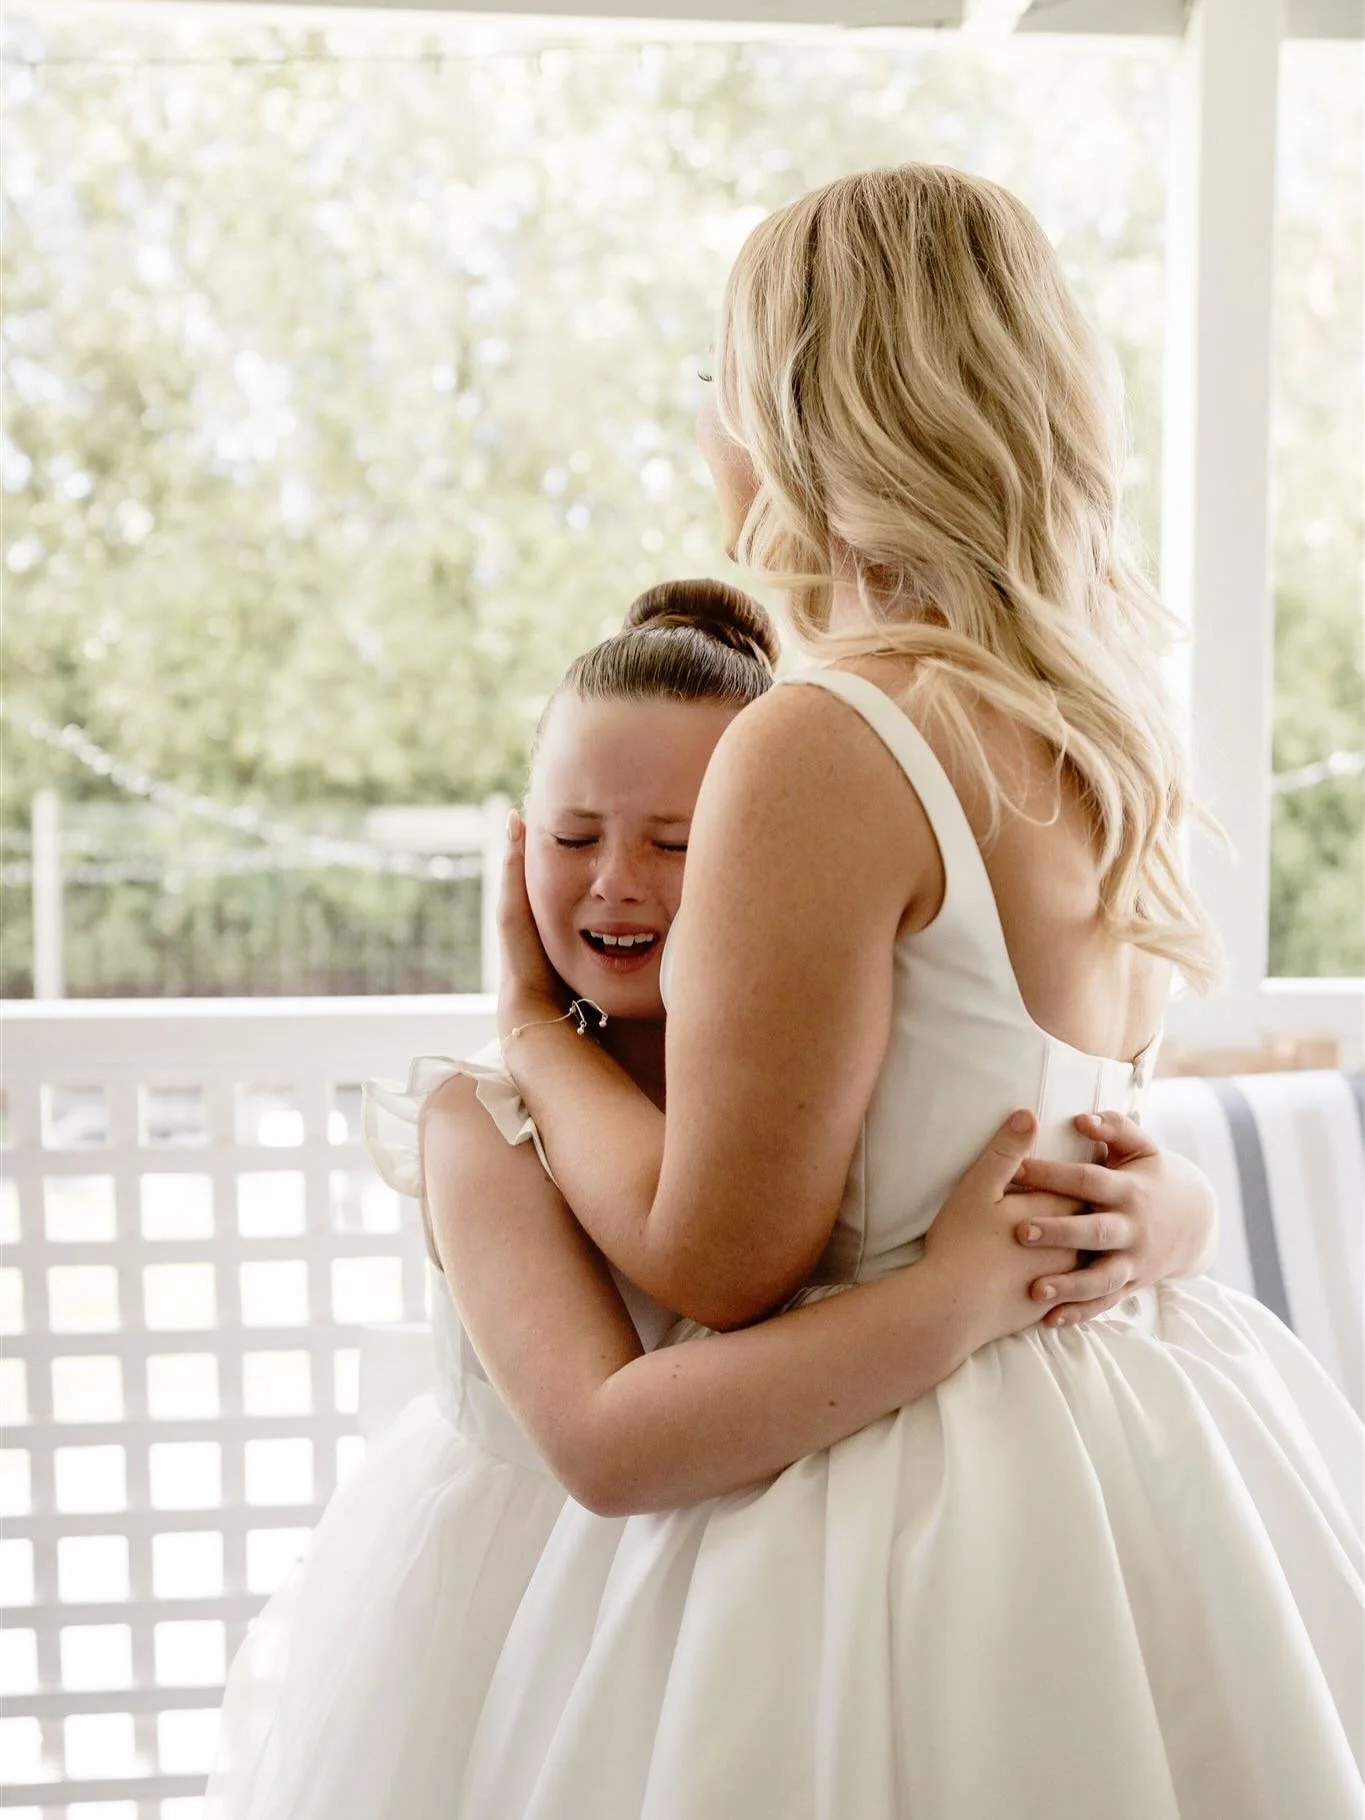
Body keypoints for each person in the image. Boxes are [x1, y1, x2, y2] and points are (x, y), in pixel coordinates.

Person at [454, 167, 1363, 1819]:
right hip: (1142, 1438)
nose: (709, 432)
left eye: (718, 386)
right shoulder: (1097, 735)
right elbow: (1086, 1139)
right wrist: (1174, 1218)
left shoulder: (830, 737)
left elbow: (726, 1262)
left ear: (801, 411)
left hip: (905, 1485)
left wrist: (524, 1033)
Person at [204, 578, 1214, 1820]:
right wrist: (957, 1296)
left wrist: (1176, 1215)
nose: (617, 881)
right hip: (549, 1641)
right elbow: (608, 1442)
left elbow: (1061, 1137)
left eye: (679, 842)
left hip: (784, 1628)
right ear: (516, 847)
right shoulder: (483, 1126)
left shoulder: (806, 1099)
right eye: (573, 836)